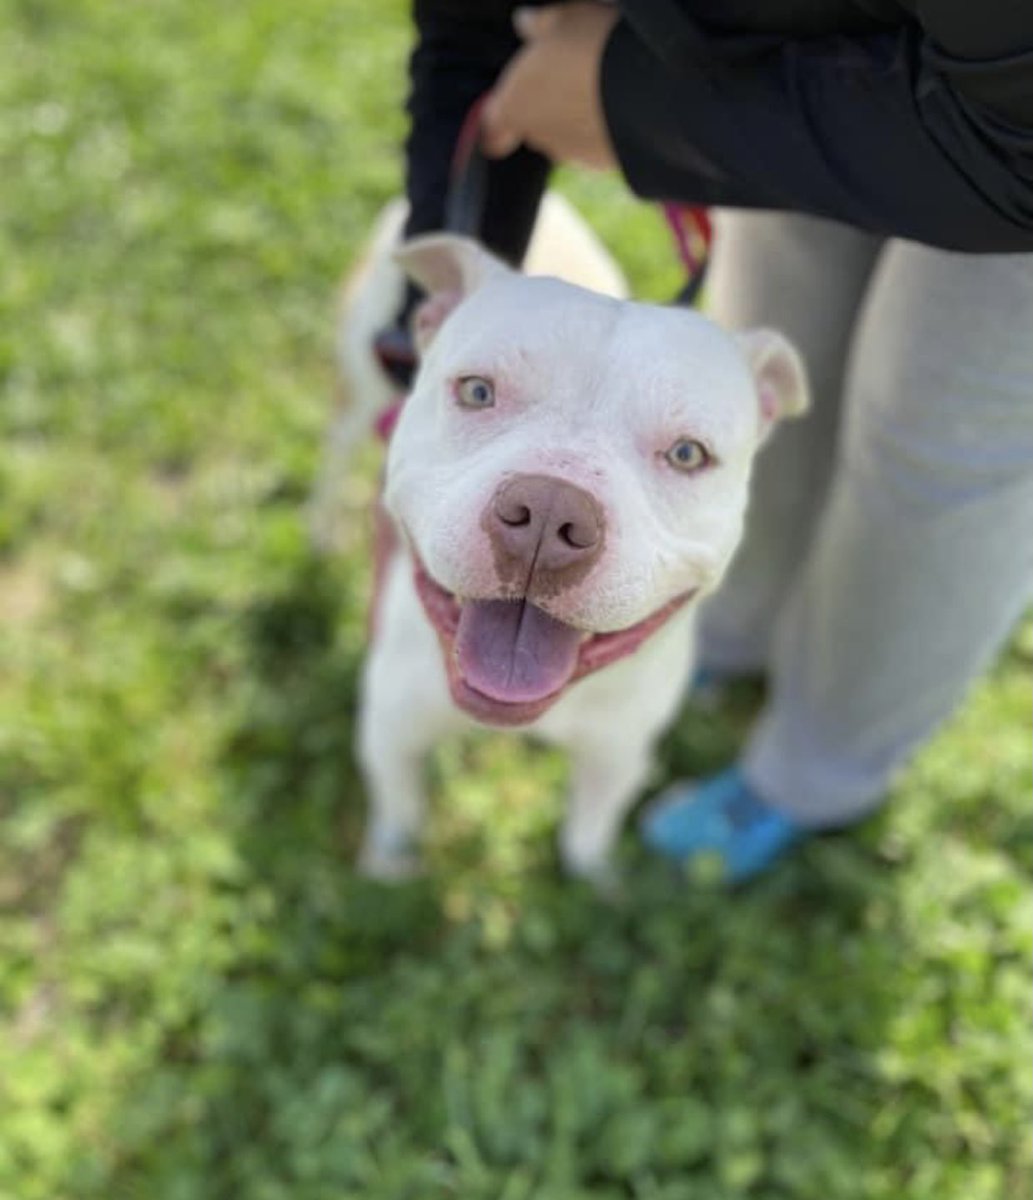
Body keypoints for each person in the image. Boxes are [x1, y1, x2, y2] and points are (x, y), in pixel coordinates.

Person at [396, 0, 1033, 881]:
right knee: (777, 318)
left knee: (937, 442)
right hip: (793, 31)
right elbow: (476, 26)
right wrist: (432, 343)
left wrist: (634, 102)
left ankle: (816, 767)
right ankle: (731, 629)